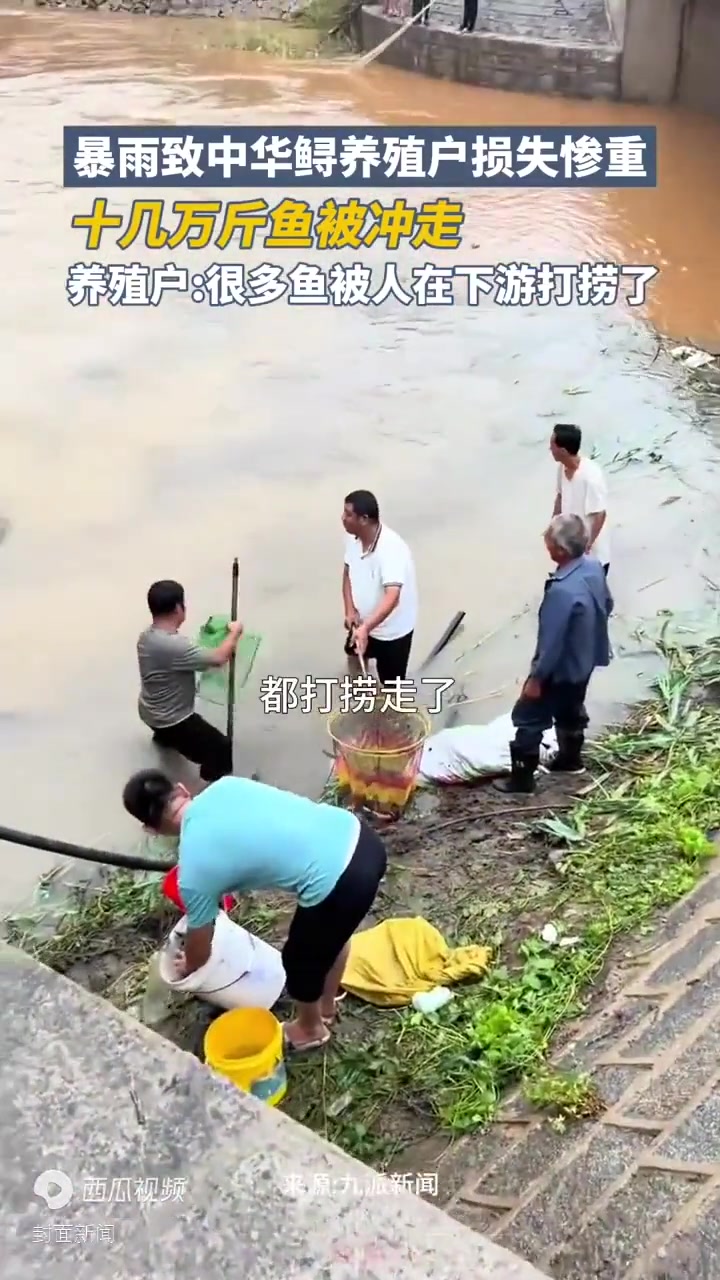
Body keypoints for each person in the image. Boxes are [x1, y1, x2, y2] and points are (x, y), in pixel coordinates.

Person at [122, 769, 387, 1052]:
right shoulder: (226, 785)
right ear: (182, 789)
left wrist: (187, 963)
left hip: (342, 882)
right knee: (329, 934)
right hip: (361, 838)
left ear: (150, 830)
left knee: (298, 962)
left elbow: (202, 950)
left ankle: (311, 1030)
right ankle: (325, 1007)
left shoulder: (193, 873)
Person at [495, 514, 613, 795]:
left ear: (560, 550)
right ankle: (570, 760)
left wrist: (536, 679)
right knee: (572, 708)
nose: (545, 545)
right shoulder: (594, 568)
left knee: (528, 718)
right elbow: (607, 604)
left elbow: (551, 643)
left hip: (559, 669)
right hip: (585, 661)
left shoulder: (561, 591)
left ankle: (522, 781)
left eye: (548, 541)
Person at [137, 580, 242, 785]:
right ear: (178, 608)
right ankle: (214, 786)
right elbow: (219, 658)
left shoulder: (146, 637)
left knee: (167, 731)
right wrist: (235, 632)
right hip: (173, 720)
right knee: (221, 748)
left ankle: (164, 738)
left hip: (148, 709)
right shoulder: (175, 646)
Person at [341, 490, 418, 686]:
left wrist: (367, 627)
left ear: (364, 519)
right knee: (355, 660)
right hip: (362, 625)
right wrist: (350, 610)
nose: (343, 518)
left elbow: (393, 597)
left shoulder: (391, 549)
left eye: (348, 514)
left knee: (392, 686)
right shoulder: (352, 538)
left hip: (392, 632)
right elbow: (347, 573)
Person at [551, 423, 611, 577]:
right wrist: (553, 526)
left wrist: (587, 545)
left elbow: (600, 515)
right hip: (570, 547)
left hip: (591, 552)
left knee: (592, 594)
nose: (550, 449)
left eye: (552, 445)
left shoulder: (591, 475)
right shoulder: (562, 469)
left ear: (563, 451)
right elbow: (560, 496)